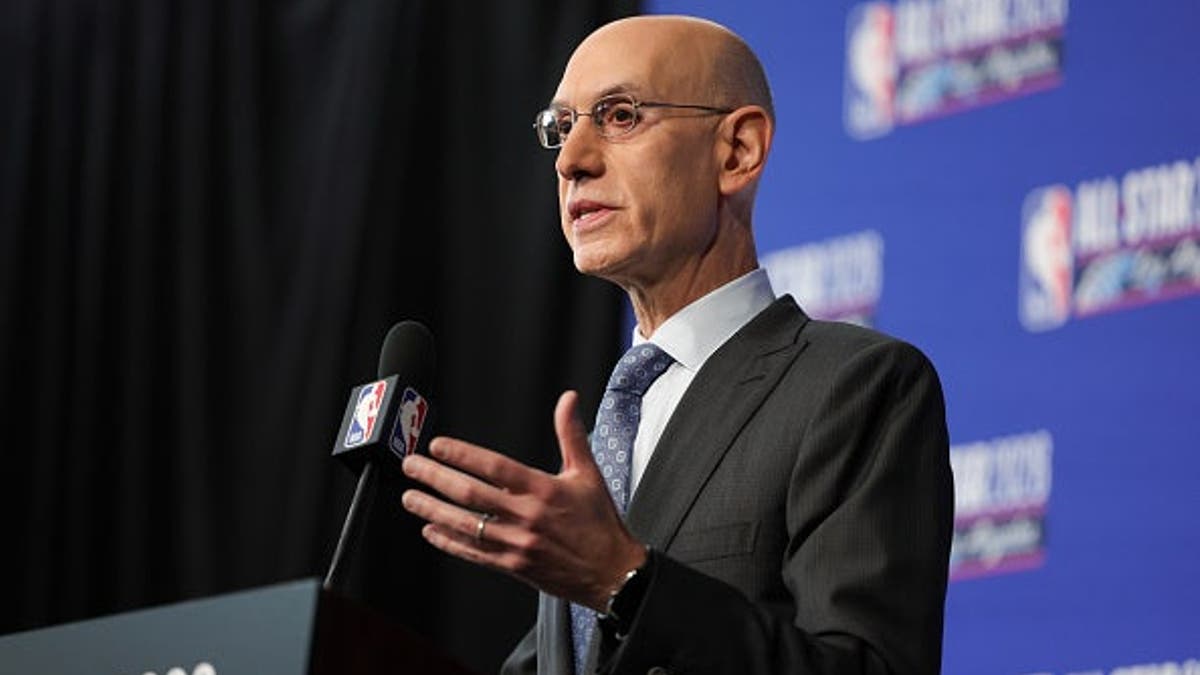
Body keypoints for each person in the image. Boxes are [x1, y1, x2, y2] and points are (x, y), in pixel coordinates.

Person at [400, 15, 953, 675]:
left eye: (621, 115)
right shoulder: (609, 422)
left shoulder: (855, 388)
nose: (572, 160)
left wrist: (626, 580)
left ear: (738, 152)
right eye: (562, 127)